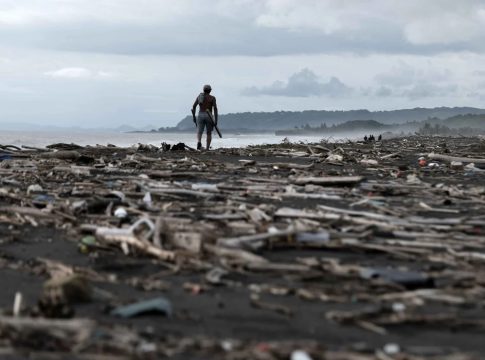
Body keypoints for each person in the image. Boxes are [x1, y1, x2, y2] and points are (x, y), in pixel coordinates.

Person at [192, 84, 218, 150]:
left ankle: (199, 142)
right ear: (210, 91)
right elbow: (215, 109)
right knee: (209, 133)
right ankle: (207, 148)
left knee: (199, 131)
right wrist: (216, 120)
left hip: (200, 114)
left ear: (204, 90)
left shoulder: (200, 96)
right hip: (209, 115)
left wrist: (194, 117)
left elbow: (194, 106)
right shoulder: (212, 98)